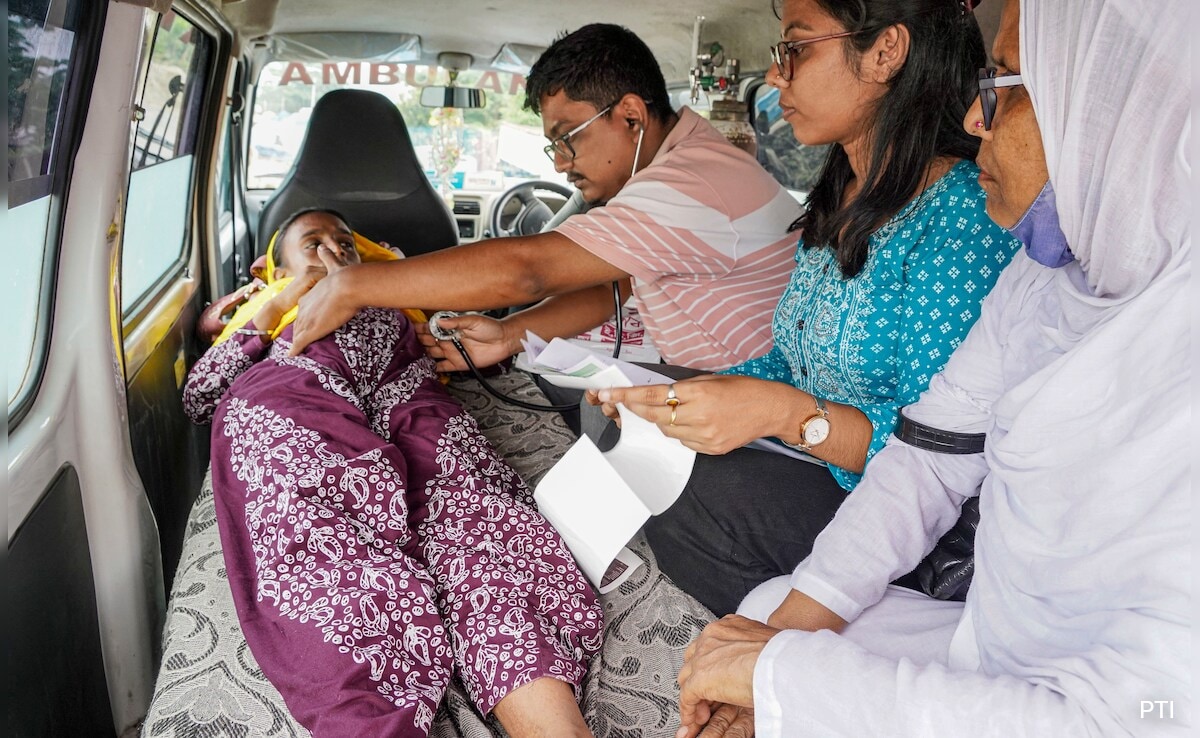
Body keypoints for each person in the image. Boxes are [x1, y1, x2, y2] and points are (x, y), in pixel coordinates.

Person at [674, 0, 1191, 735]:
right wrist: (779, 643)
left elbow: (1141, 718)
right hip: (996, 636)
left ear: (1111, 106)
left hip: (1086, 706)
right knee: (766, 610)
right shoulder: (1047, 281)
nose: (978, 118)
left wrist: (785, 676)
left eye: (1008, 86)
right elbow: (928, 456)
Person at [593, 0, 1021, 616]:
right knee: (647, 414)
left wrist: (783, 413)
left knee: (689, 490)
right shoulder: (841, 198)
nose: (776, 76)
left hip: (904, 523)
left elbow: (944, 456)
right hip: (817, 468)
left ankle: (766, 661)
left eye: (796, 49)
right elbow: (794, 365)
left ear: (885, 52)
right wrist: (706, 392)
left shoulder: (961, 217)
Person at [183, 209, 604, 738]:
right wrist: (281, 303)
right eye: (311, 244)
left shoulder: (397, 295)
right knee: (322, 544)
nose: (334, 252)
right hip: (293, 389)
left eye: (346, 242)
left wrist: (411, 316)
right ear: (274, 268)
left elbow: (483, 349)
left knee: (477, 516)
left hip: (407, 395)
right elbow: (200, 396)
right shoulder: (265, 309)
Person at [287, 23, 803, 375]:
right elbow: (617, 289)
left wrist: (355, 284)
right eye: (551, 144)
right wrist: (511, 333)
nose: (559, 163)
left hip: (764, 416)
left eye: (567, 137)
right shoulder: (688, 164)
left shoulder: (689, 184)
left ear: (630, 115)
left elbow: (527, 270)